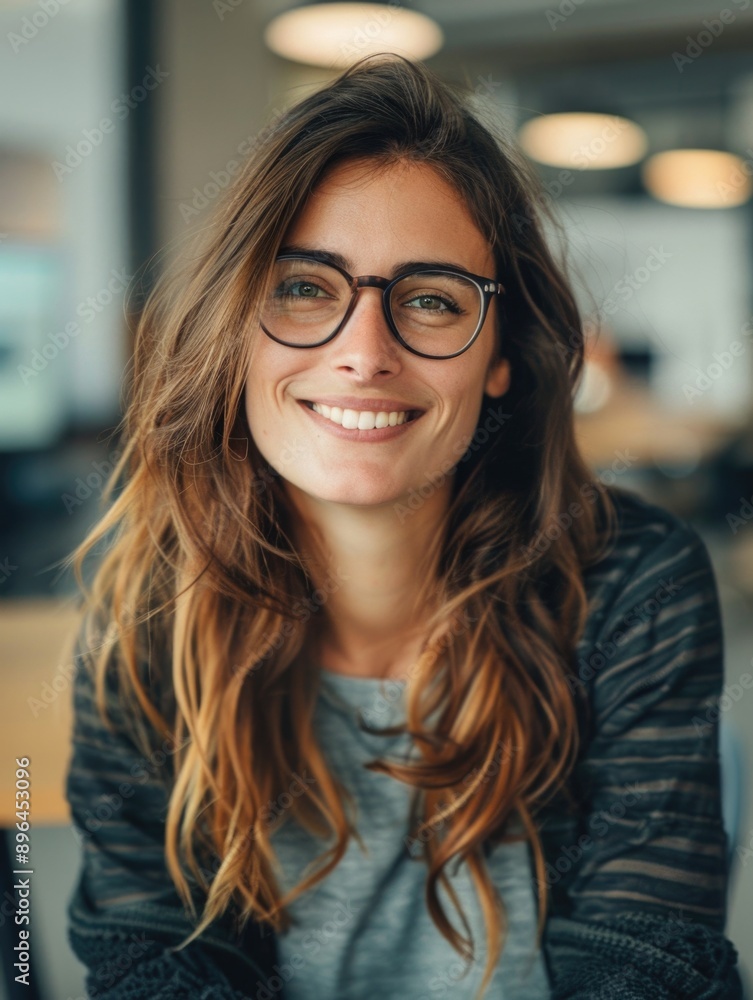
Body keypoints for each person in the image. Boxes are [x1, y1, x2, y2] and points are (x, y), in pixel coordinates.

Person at [63, 53, 743, 999]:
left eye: (429, 300)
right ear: (234, 325)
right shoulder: (148, 609)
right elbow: (149, 961)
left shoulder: (630, 584)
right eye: (304, 287)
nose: (363, 353)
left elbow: (648, 966)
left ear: (499, 354)